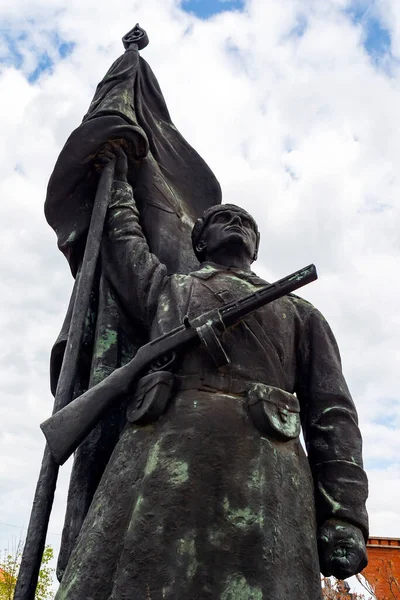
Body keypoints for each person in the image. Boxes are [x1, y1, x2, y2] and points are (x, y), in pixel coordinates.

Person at [55, 148, 368, 600]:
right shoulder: (170, 290)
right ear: (198, 243)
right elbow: (125, 246)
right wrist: (119, 180)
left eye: (246, 222)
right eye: (223, 218)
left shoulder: (301, 313)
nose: (237, 223)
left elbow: (333, 417)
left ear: (256, 247)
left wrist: (344, 515)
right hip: (158, 459)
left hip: (265, 472)